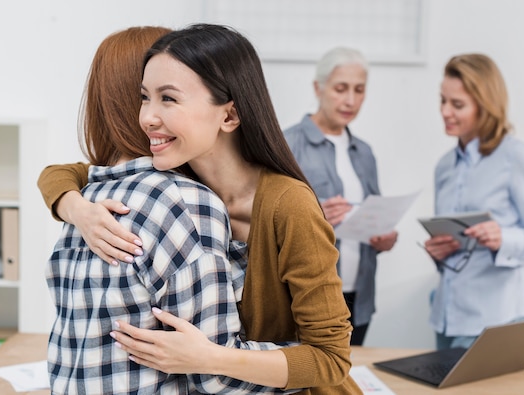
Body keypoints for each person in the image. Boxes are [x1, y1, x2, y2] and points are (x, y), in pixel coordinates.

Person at [38, 24, 362, 394]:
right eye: (145, 97)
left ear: (228, 116)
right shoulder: (183, 178)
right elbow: (66, 173)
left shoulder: (289, 206)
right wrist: (77, 209)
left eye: (169, 99)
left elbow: (332, 358)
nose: (147, 117)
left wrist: (208, 358)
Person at [423, 53, 524, 350]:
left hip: (494, 320)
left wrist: (502, 238)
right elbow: (453, 247)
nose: (445, 111)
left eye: (457, 105)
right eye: (442, 100)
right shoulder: (445, 166)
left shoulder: (517, 158)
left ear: (486, 106)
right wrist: (438, 252)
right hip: (446, 316)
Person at [284, 47, 397, 345]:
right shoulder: (288, 144)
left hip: (359, 296)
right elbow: (260, 216)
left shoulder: (364, 153)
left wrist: (384, 236)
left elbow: (375, 214)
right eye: (340, 89)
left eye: (359, 90)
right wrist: (313, 214)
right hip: (310, 295)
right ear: (318, 88)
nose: (350, 100)